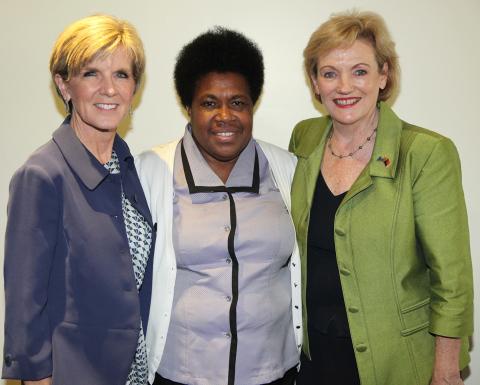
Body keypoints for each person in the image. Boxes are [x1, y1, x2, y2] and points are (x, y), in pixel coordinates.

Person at [289, 10, 473, 385]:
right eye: (329, 73)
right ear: (315, 81)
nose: (345, 87)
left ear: (383, 75)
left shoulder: (425, 153)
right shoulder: (303, 139)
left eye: (359, 71)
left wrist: (446, 369)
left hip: (398, 363)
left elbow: (451, 278)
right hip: (313, 359)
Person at [136, 27, 302, 385]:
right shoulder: (152, 172)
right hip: (181, 374)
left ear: (252, 104)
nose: (225, 116)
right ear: (189, 107)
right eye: (209, 103)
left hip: (273, 373)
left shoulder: (285, 169)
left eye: (238, 103)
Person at [2, 14, 153, 385]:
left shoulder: (130, 167)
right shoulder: (42, 174)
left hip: (134, 374)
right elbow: (24, 305)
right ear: (64, 86)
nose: (109, 89)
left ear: (134, 87)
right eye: (91, 74)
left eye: (121, 74)